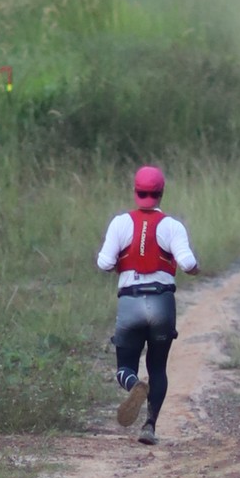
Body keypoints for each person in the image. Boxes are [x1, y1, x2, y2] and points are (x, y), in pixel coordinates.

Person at [96, 162, 197, 440]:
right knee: (158, 367)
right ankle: (150, 426)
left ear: (135, 191)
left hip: (130, 302)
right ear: (161, 192)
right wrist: (195, 269)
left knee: (124, 367)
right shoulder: (172, 226)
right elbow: (188, 263)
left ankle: (134, 385)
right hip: (162, 303)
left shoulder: (120, 223)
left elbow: (104, 263)